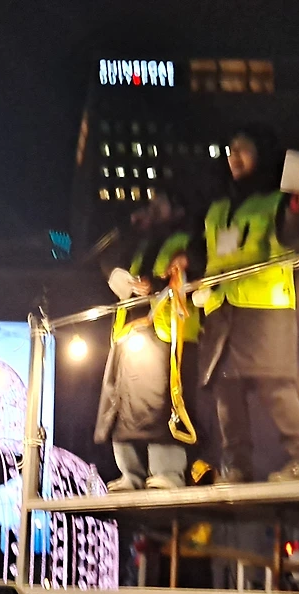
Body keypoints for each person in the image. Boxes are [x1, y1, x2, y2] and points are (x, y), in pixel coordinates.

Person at [179, 123, 299, 483]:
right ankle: (237, 467)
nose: (234, 157)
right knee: (226, 391)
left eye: (243, 149)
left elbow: (294, 236)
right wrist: (184, 262)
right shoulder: (217, 207)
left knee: (276, 387)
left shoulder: (275, 201)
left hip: (264, 310)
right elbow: (201, 252)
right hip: (221, 310)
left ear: (261, 154)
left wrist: (298, 208)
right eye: (231, 150)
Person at [93, 191, 201, 491]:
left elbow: (200, 262)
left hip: (168, 331)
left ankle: (168, 472)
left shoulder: (188, 238)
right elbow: (110, 259)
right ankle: (131, 473)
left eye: (160, 203)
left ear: (177, 210)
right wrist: (131, 227)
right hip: (131, 331)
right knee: (122, 405)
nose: (152, 208)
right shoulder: (140, 241)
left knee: (161, 406)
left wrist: (166, 275)